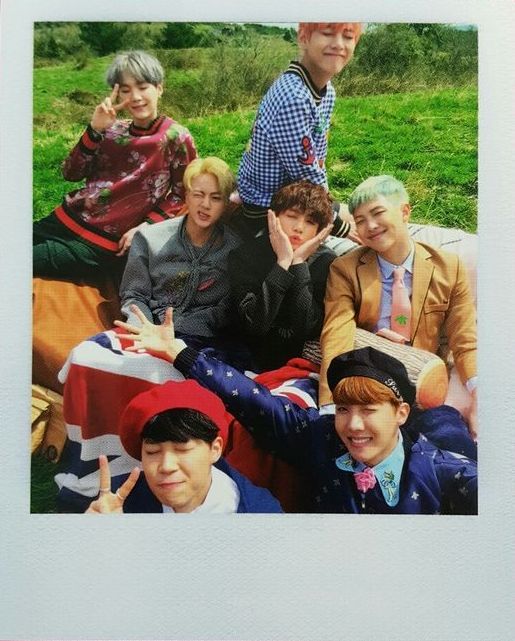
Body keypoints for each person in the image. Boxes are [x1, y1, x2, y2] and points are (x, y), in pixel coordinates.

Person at [113, 307, 477, 515]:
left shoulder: (443, 472)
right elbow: (253, 400)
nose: (352, 425)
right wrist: (179, 352)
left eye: (368, 409)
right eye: (343, 408)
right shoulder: (320, 437)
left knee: (445, 423)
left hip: (437, 442)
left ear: (399, 412)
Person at [318, 175, 478, 439]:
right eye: (359, 220)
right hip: (367, 385)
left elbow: (464, 339)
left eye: (378, 213)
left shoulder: (449, 267)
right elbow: (336, 334)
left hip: (423, 385)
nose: (370, 226)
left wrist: (479, 394)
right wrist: (329, 405)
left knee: (451, 441)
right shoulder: (345, 270)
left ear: (405, 211)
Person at [33, 50, 197, 280]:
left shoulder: (176, 136)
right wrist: (95, 129)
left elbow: (183, 193)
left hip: (100, 244)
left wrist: (146, 226)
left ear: (159, 88)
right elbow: (70, 172)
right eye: (126, 90)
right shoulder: (111, 129)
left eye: (142, 86)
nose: (136, 97)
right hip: (65, 218)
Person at [234, 22, 362, 241]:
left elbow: (317, 157)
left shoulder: (326, 91)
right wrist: (339, 225)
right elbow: (307, 174)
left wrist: (331, 205)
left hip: (298, 193)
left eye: (348, 36)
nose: (339, 44)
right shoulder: (293, 97)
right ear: (304, 37)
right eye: (328, 33)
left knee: (362, 217)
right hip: (267, 207)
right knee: (331, 259)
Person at [85, 380, 283, 514]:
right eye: (153, 452)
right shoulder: (119, 502)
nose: (166, 466)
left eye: (182, 449)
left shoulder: (261, 516)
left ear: (215, 449)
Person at [119, 156, 243, 361]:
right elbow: (134, 294)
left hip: (204, 343)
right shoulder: (149, 238)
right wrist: (145, 329)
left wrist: (184, 331)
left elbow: (229, 307)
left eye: (216, 198)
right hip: (147, 332)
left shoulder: (234, 249)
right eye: (198, 195)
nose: (205, 205)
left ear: (226, 204)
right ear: (186, 196)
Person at [228, 180, 335, 370]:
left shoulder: (325, 262)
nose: (299, 227)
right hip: (245, 360)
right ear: (274, 217)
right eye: (292, 216)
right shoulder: (245, 255)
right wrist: (283, 263)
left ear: (320, 231)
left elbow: (306, 329)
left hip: (299, 367)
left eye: (310, 222)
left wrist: (299, 263)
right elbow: (254, 324)